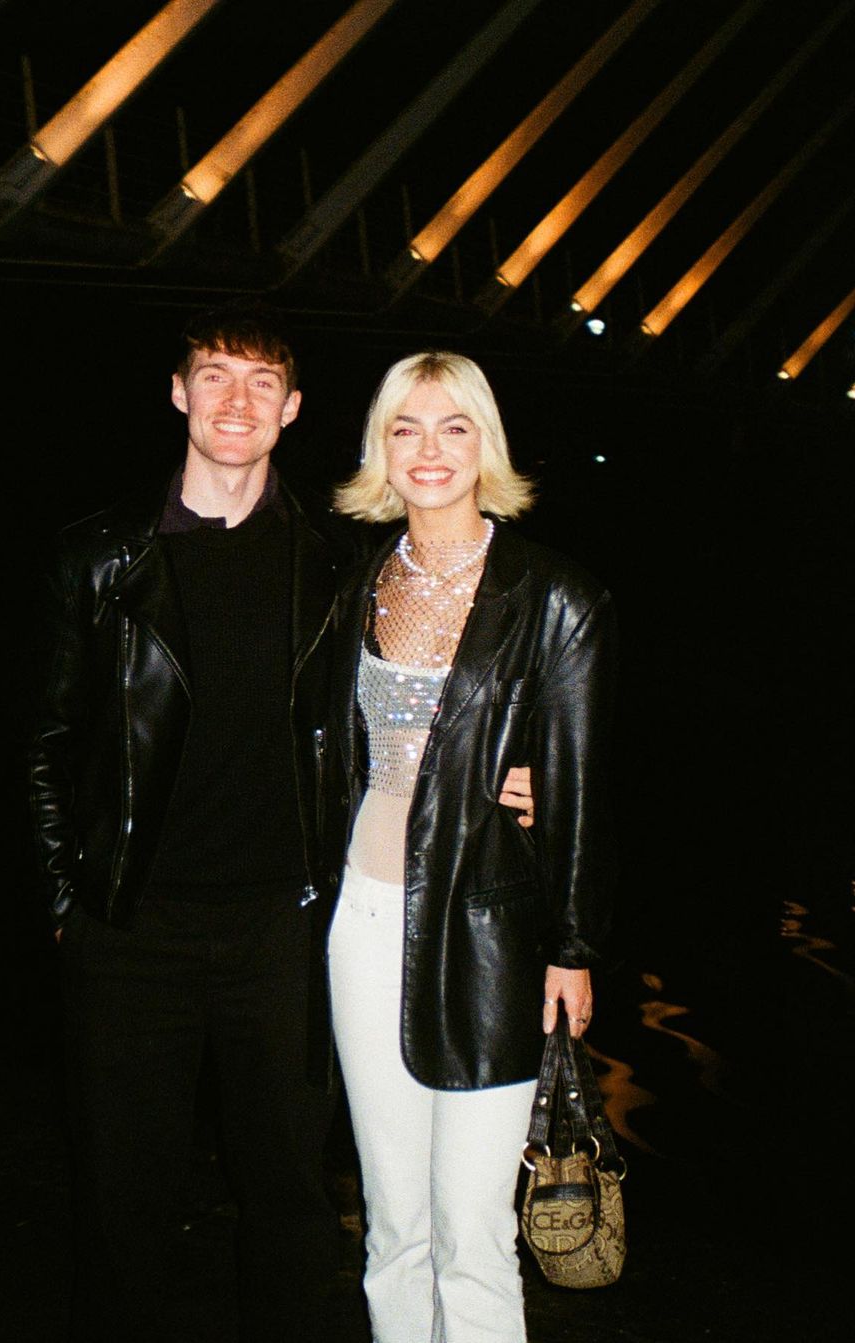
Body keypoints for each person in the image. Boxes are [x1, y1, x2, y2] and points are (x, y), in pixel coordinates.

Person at [28, 309, 537, 1341]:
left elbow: (415, 691)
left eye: (261, 383)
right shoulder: (99, 557)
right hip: (130, 926)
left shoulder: (335, 561)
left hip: (287, 927)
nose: (236, 400)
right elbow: (46, 739)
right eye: (215, 375)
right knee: (123, 1202)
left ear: (293, 410)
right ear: (179, 392)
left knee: (290, 1199)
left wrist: (509, 769)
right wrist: (65, 903)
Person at [327, 351, 616, 1343]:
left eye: (454, 426)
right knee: (393, 1226)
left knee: (473, 1234)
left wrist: (571, 947)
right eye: (405, 427)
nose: (430, 448)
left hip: (494, 930)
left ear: (485, 442)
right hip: (362, 918)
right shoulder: (357, 583)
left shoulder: (556, 596)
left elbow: (582, 787)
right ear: (381, 448)